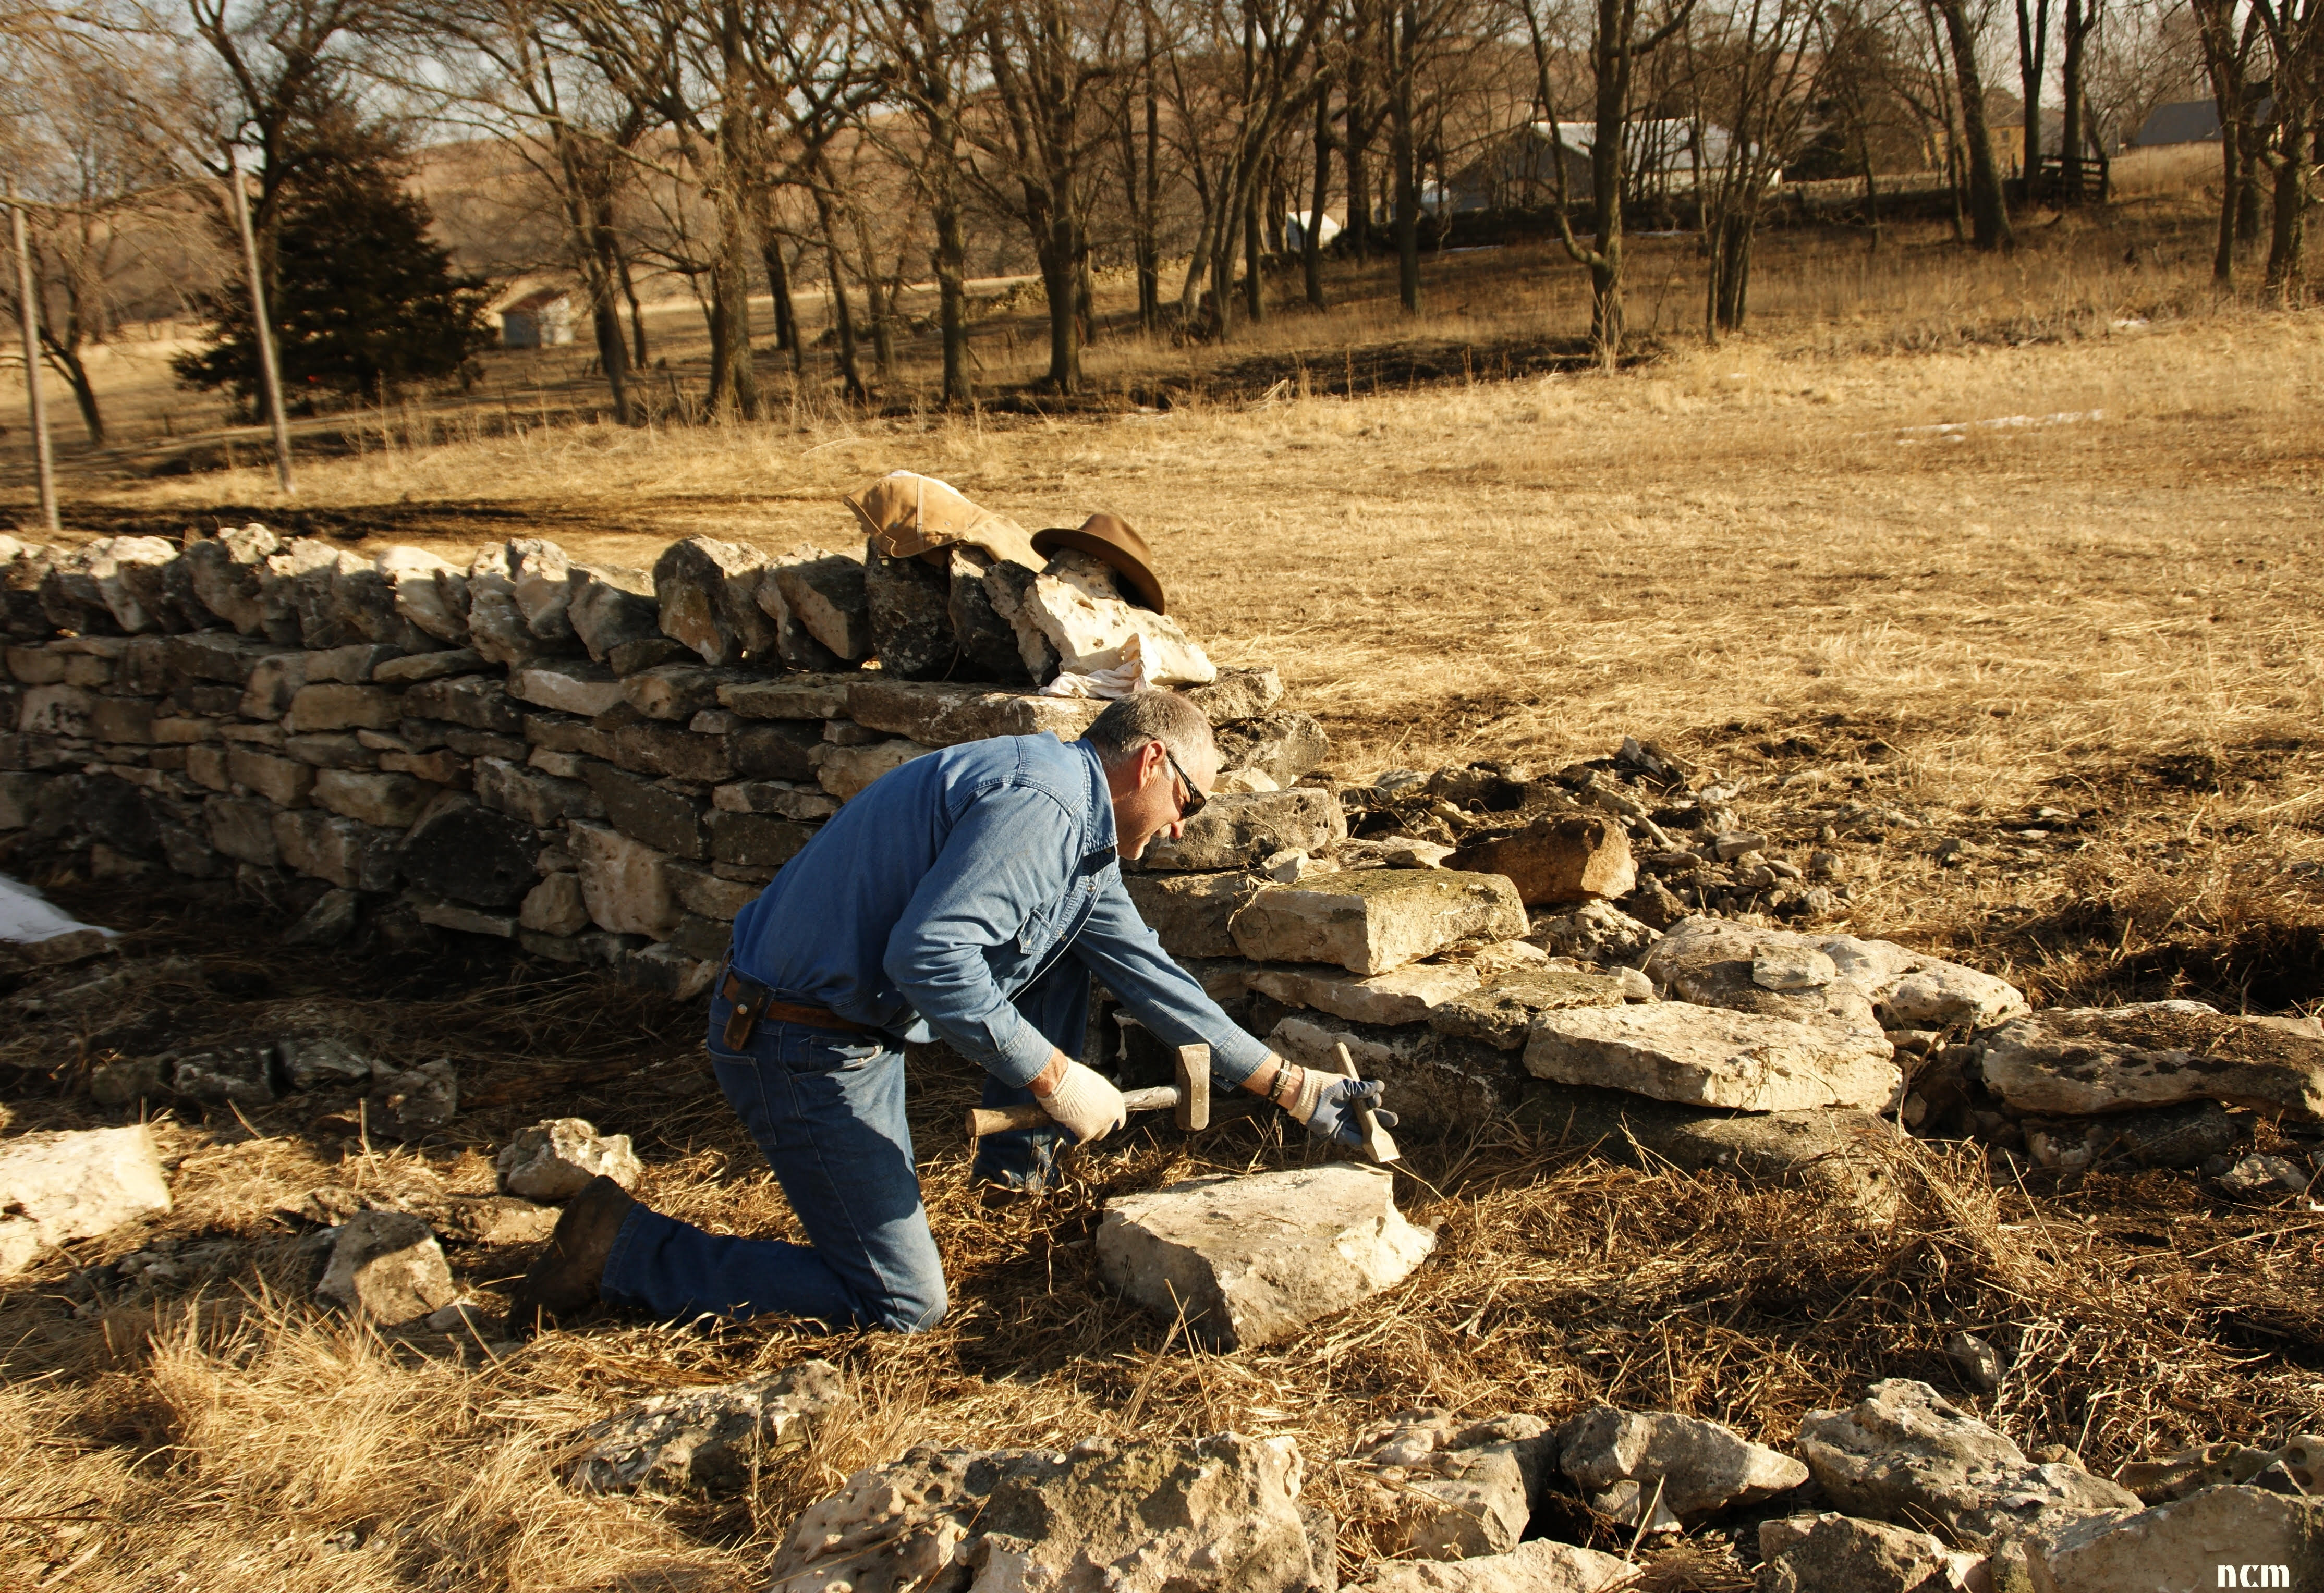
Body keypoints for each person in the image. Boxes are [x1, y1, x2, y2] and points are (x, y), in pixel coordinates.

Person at [502, 689, 1396, 1337]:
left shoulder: (1080, 835)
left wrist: (1293, 1087)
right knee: (900, 1304)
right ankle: (624, 1250)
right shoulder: (1045, 807)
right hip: (792, 1041)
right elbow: (927, 957)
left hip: (848, 1035)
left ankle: (1013, 1177)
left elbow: (1156, 979)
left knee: (1064, 960)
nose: (1178, 828)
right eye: (1187, 804)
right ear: (1149, 759)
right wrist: (1052, 1075)